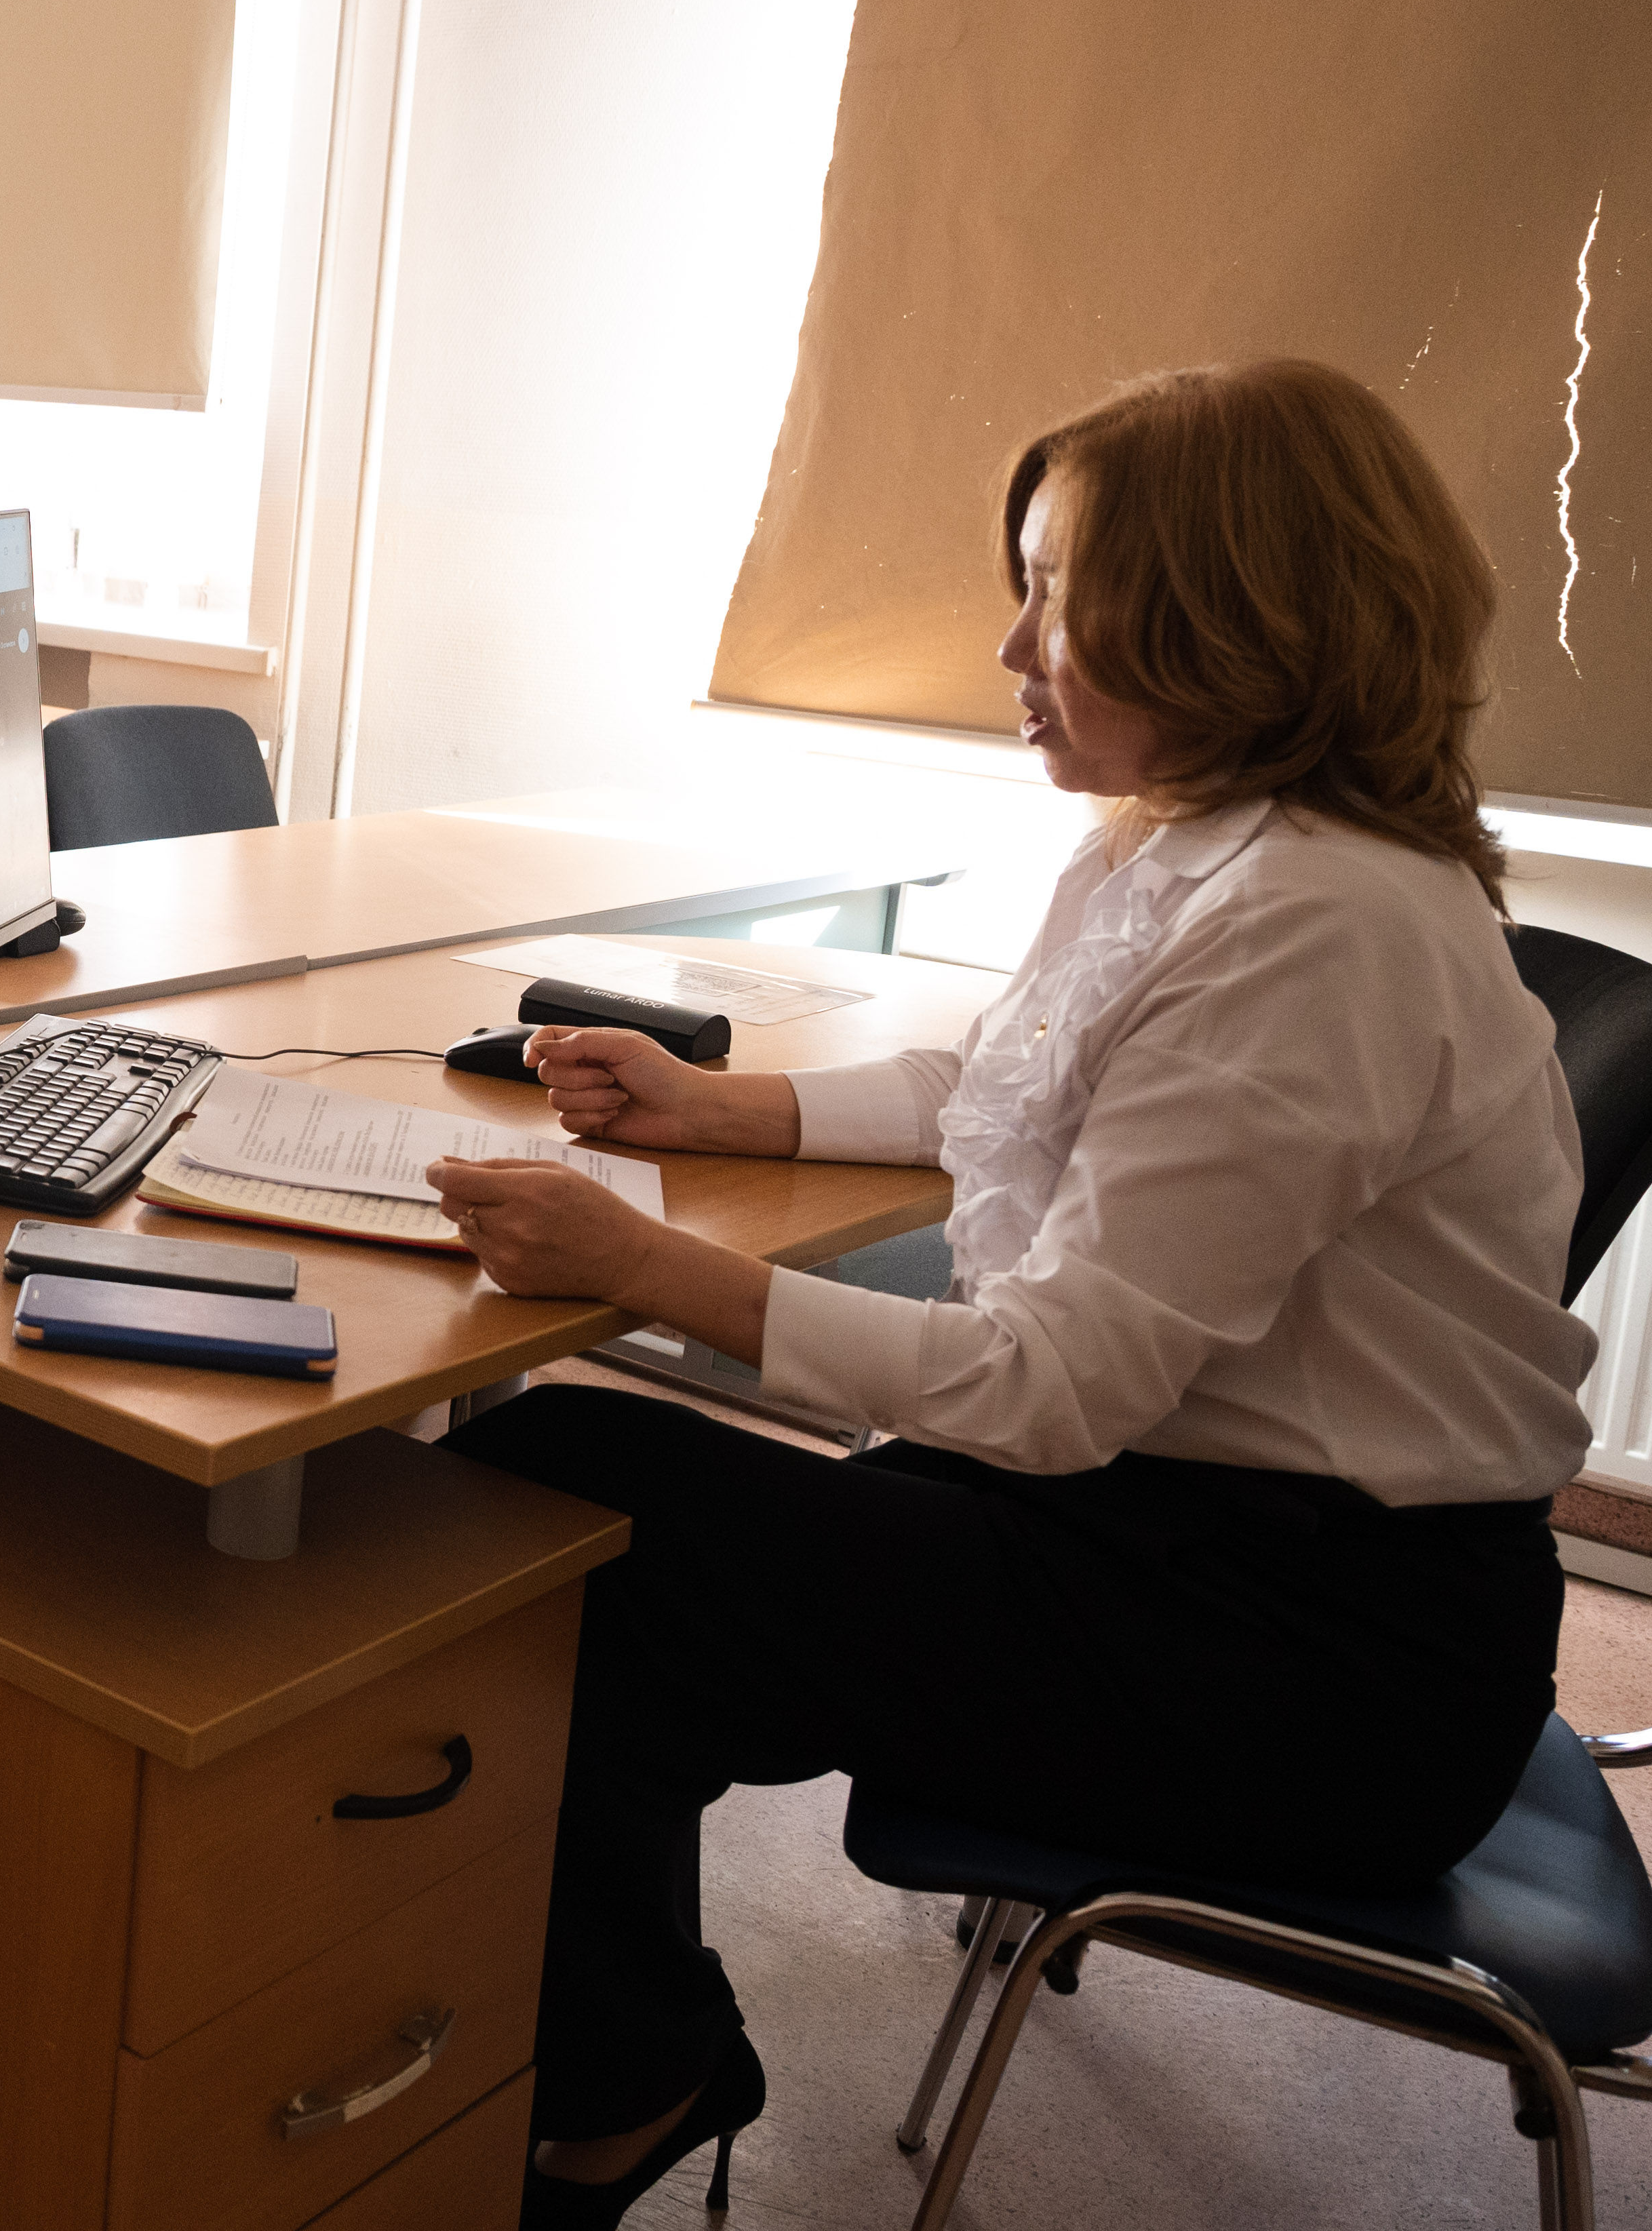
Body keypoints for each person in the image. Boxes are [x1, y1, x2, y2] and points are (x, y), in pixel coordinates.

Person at [420, 357, 1592, 2226]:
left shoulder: (1321, 923)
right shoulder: (1187, 840)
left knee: (573, 1511)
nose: (1010, 646)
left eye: (1059, 593)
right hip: (1185, 1536)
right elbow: (1002, 1080)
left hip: (1322, 1662)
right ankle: (615, 2030)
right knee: (584, 1510)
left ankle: (625, 2070)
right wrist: (722, 1106)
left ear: (1228, 617)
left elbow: (1049, 1392)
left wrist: (653, 1266)